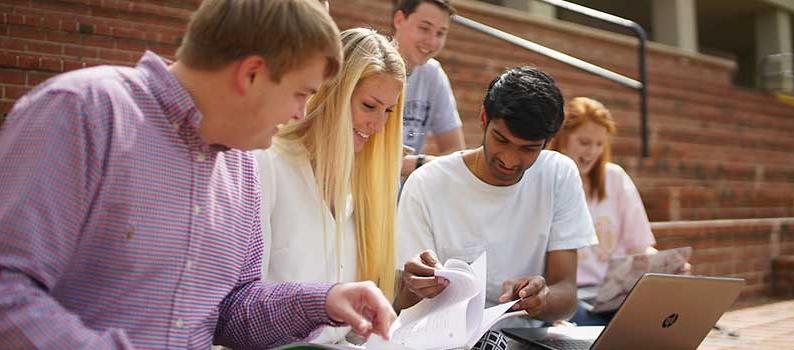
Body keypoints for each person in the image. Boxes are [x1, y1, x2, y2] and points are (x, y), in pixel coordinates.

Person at [0, 1, 396, 348]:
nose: (301, 114)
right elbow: (8, 289)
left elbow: (231, 312)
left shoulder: (241, 166)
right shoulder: (84, 112)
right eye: (300, 93)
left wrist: (325, 300)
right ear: (251, 73)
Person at [395, 67, 598, 329]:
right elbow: (405, 308)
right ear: (483, 118)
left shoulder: (558, 174)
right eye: (501, 139)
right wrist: (416, 287)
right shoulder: (427, 184)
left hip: (528, 339)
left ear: (548, 141)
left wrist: (541, 299)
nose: (509, 159)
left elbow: (567, 294)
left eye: (528, 149)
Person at [255, 27, 405, 344]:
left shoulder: (365, 186)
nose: (379, 126)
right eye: (369, 106)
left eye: (388, 111)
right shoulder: (269, 163)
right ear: (332, 92)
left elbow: (350, 333)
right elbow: (242, 309)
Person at [548, 97, 658, 325]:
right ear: (563, 138)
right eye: (585, 142)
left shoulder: (614, 178)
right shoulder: (545, 181)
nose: (592, 152)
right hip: (571, 296)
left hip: (617, 294)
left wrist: (670, 268)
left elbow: (640, 247)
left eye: (600, 144)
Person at [391, 0, 466, 176]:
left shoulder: (433, 73)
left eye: (440, 33)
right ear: (399, 20)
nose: (432, 42)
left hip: (404, 194)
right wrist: (420, 163)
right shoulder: (371, 65)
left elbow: (455, 150)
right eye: (424, 28)